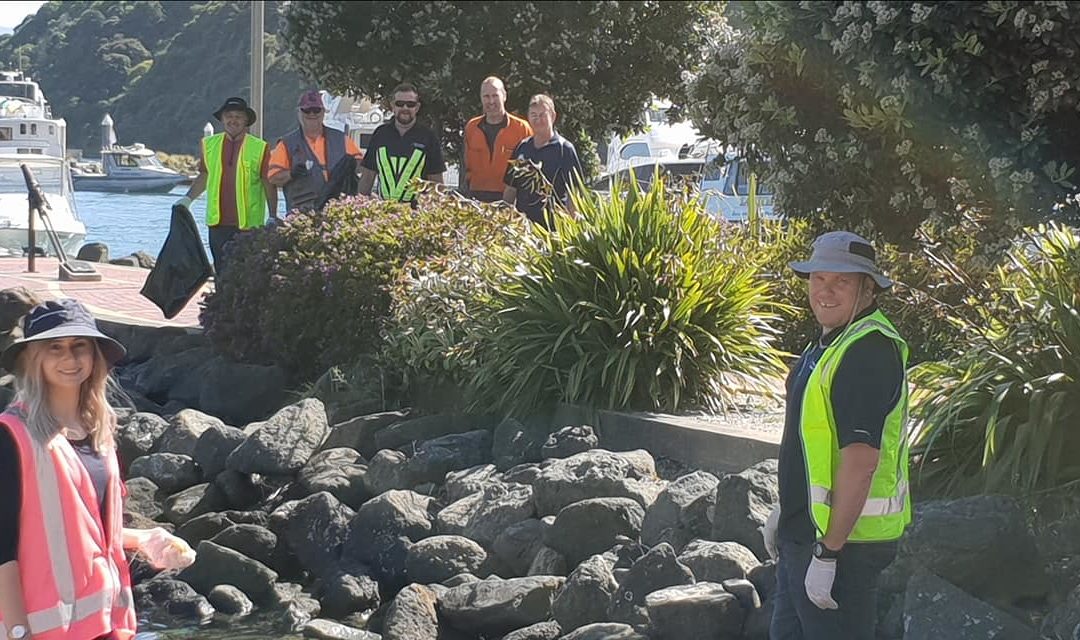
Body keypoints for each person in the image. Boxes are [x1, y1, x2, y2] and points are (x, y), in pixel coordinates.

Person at [0, 299, 196, 640]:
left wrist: (145, 539)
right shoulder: (12, 435)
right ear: (33, 358)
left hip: (108, 624)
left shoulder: (99, 430)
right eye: (55, 347)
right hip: (42, 631)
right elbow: (2, 550)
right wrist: (18, 632)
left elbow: (84, 530)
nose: (69, 358)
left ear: (95, 356)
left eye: (80, 347)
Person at [763, 231, 911, 640]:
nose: (825, 291)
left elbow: (861, 463)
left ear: (867, 288)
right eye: (818, 279)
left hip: (845, 548)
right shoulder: (828, 342)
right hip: (806, 534)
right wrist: (788, 508)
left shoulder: (868, 351)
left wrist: (828, 552)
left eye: (841, 281)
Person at [176, 96, 278, 274]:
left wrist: (273, 215)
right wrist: (187, 199)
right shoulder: (209, 145)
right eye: (229, 115)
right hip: (217, 224)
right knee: (221, 275)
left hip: (249, 226)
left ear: (246, 121)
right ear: (222, 119)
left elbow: (268, 182)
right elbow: (204, 175)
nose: (233, 120)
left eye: (238, 116)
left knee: (246, 275)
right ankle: (220, 303)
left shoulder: (260, 147)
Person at [268, 89, 365, 213]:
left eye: (316, 110)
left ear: (323, 112)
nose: (312, 114)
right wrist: (291, 174)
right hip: (301, 216)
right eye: (307, 110)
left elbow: (361, 166)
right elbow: (273, 178)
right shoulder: (286, 144)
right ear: (299, 112)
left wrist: (349, 168)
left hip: (338, 213)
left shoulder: (341, 138)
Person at [358, 83, 446, 204]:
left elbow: (437, 183)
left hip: (418, 215)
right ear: (392, 106)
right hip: (384, 213)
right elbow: (367, 177)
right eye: (400, 104)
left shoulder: (428, 137)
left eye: (410, 104)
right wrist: (359, 205)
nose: (405, 108)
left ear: (417, 107)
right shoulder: (380, 134)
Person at [502, 94, 583, 226]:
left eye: (542, 115)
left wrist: (572, 227)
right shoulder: (522, 148)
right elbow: (511, 189)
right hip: (523, 228)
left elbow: (574, 193)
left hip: (554, 229)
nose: (538, 120)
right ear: (528, 117)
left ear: (553, 116)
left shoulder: (565, 149)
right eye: (534, 115)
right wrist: (504, 220)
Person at [462, 77, 532, 203]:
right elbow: (468, 167)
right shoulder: (471, 127)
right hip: (476, 199)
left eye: (495, 95)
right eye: (486, 96)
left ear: (504, 96)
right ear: (481, 98)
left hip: (508, 200)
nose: (491, 101)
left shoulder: (522, 129)